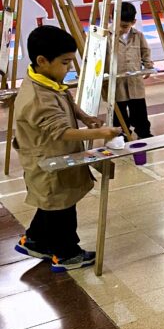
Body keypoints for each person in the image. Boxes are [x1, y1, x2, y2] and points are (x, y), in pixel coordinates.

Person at [13, 26, 121, 271]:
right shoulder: (37, 97)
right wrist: (101, 132)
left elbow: (66, 100)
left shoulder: (47, 80)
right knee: (61, 207)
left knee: (52, 202)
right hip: (48, 160)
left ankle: (35, 240)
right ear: (42, 61)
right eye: (65, 62)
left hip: (55, 157)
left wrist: (84, 117)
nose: (69, 68)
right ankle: (66, 254)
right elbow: (59, 131)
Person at [112, 1, 155, 139]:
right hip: (116, 80)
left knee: (139, 109)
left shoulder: (138, 35)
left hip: (134, 79)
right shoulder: (107, 36)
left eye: (125, 26)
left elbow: (145, 51)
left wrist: (148, 65)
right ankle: (122, 134)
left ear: (133, 22)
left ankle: (143, 132)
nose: (122, 28)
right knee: (119, 109)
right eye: (119, 24)